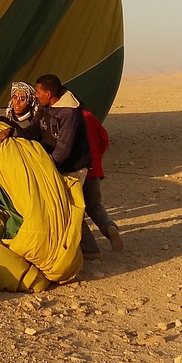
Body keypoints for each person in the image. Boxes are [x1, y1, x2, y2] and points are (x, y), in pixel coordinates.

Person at [33, 74, 123, 253]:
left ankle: (90, 250)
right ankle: (108, 227)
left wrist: (48, 165)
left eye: (38, 92)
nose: (36, 95)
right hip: (93, 168)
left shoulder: (66, 116)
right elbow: (104, 138)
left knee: (74, 210)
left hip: (74, 169)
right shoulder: (87, 115)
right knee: (94, 205)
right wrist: (98, 157)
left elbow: (63, 147)